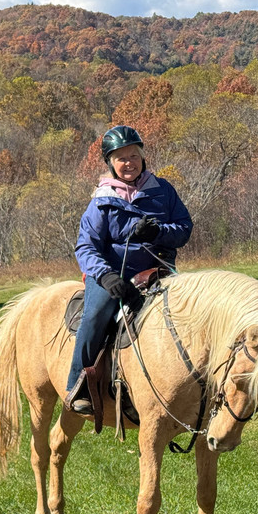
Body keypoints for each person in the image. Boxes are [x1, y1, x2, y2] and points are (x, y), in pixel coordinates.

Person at [65, 125, 193, 414]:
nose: (129, 163)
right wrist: (106, 276)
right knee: (96, 315)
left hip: (157, 271)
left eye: (133, 155)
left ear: (143, 156)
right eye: (121, 158)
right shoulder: (101, 201)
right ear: (110, 163)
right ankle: (78, 386)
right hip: (111, 275)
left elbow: (184, 230)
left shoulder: (163, 190)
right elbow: (86, 248)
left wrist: (157, 232)